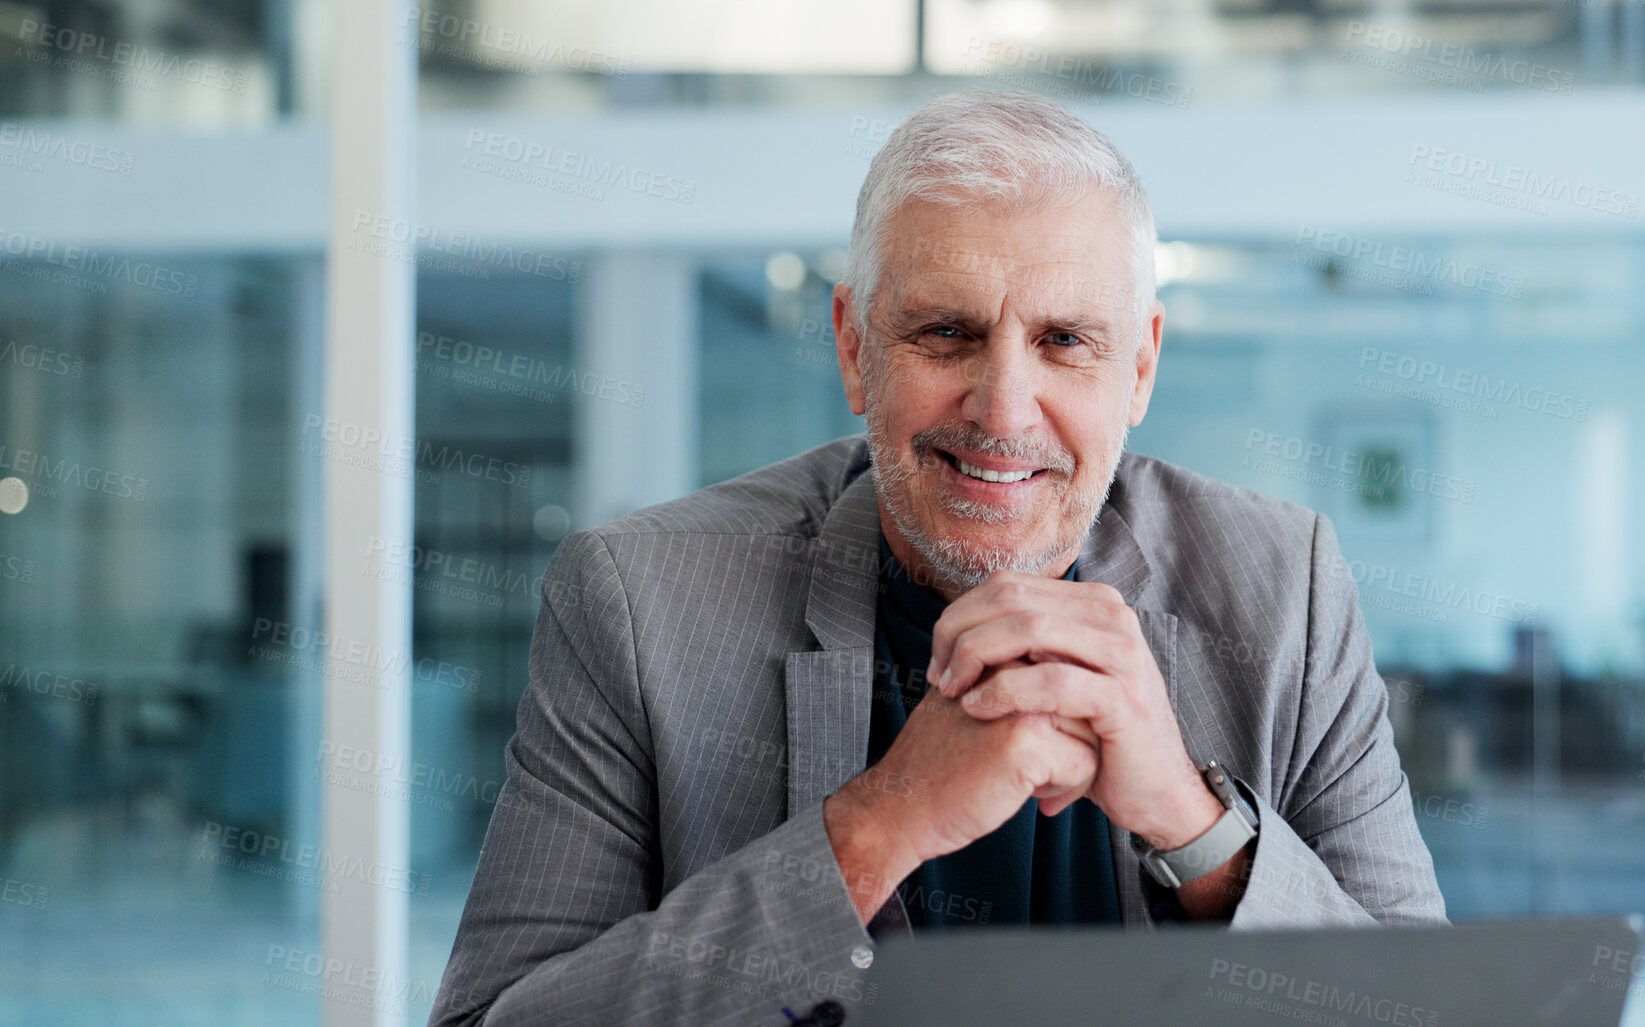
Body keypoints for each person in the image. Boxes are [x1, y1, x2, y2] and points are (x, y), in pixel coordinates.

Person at [430, 89, 1445, 1027]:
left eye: (1064, 341)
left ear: (1138, 369)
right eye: (947, 332)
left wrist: (1194, 825)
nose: (1004, 411)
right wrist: (876, 829)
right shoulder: (639, 600)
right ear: (853, 347)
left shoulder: (1284, 592)